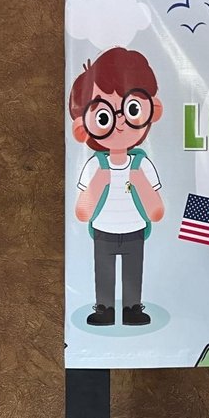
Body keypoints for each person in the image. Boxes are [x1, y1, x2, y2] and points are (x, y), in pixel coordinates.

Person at [69, 47, 164, 326]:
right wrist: (99, 181)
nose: (120, 121)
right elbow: (82, 212)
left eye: (132, 109)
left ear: (153, 109)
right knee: (105, 271)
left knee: (133, 271)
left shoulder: (142, 165)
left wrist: (140, 181)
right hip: (103, 232)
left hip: (135, 230)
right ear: (82, 127)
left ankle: (133, 308)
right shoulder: (94, 166)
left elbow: (156, 211)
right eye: (104, 116)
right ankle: (105, 309)